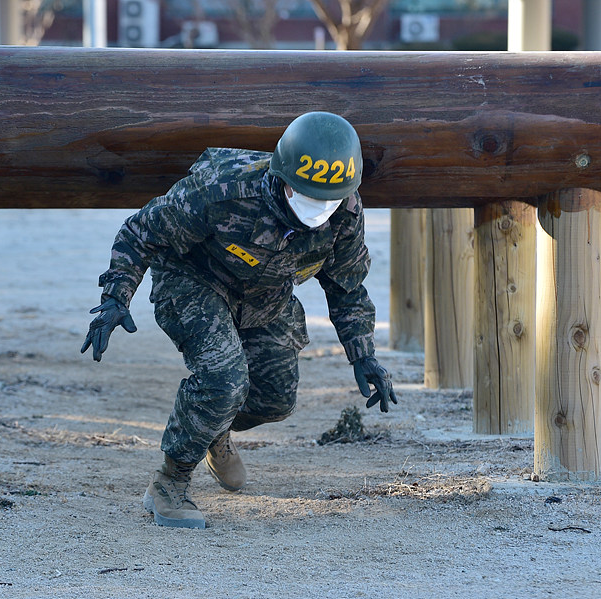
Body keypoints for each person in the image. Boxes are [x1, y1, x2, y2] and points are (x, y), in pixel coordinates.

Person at [81, 111, 397, 529]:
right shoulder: (223, 190)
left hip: (265, 295)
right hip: (194, 280)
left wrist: (364, 354)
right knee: (223, 380)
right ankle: (170, 484)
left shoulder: (345, 212)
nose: (318, 210)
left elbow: (347, 287)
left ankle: (213, 428)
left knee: (276, 399)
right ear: (282, 177)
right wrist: (115, 297)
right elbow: (142, 232)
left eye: (329, 200)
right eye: (306, 196)